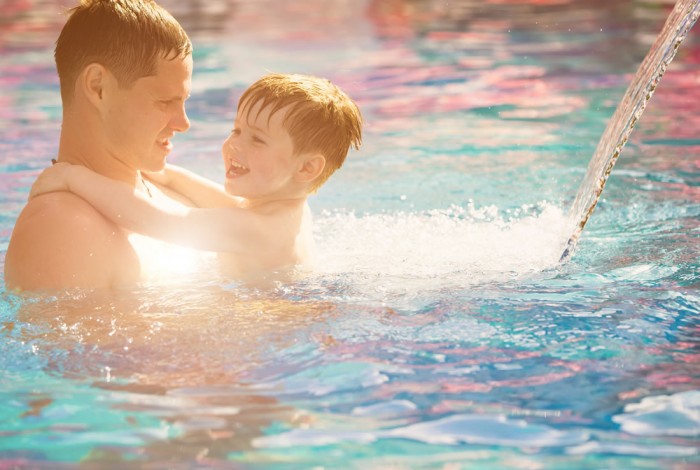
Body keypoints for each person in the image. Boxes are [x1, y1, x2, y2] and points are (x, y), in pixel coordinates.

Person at [29, 73, 363, 280]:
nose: (234, 144)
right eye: (236, 130)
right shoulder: (284, 210)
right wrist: (161, 173)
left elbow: (159, 221)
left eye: (257, 139)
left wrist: (74, 177)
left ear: (307, 168)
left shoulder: (257, 229)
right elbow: (226, 203)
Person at [4, 0, 194, 292]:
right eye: (165, 102)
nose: (183, 123)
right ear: (97, 87)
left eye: (183, 102)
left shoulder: (171, 191)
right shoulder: (60, 229)